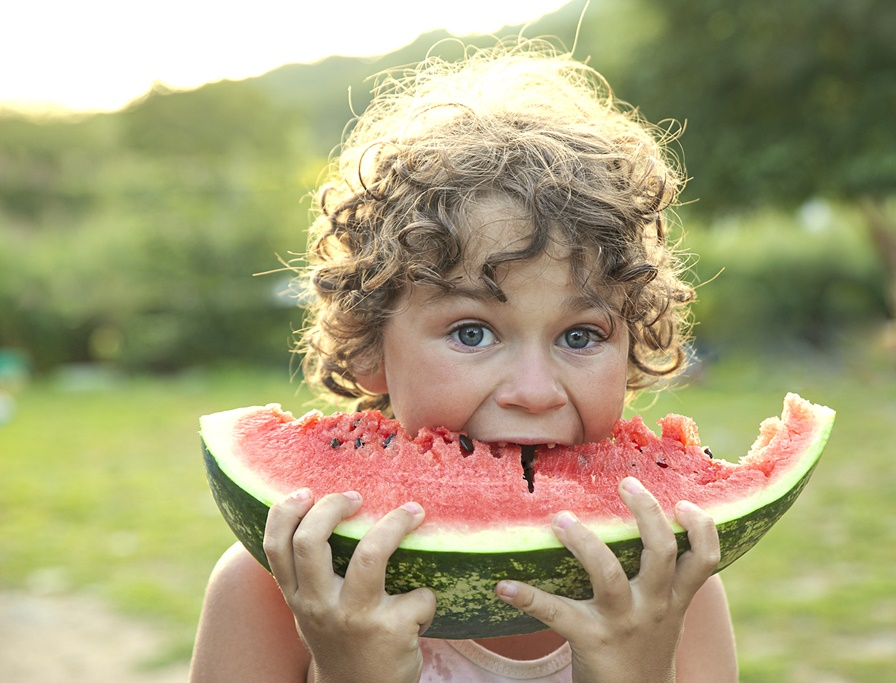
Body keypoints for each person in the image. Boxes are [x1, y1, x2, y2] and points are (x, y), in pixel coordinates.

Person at [189, 40, 738, 683]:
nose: (534, 393)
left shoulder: (671, 587)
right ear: (370, 346)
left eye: (582, 336)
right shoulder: (273, 593)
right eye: (472, 332)